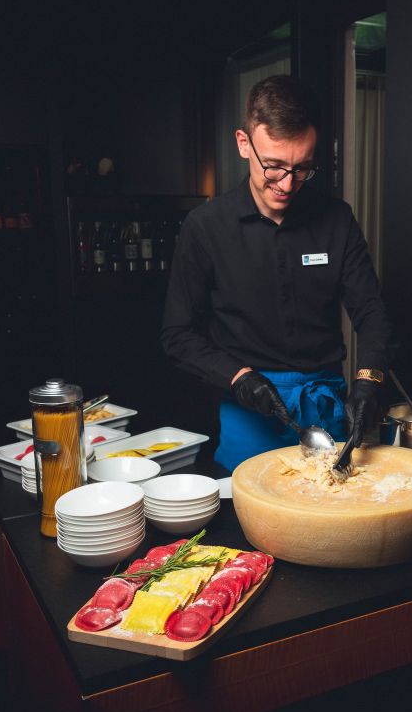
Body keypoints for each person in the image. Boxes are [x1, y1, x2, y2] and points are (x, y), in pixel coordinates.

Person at [160, 75, 395, 471]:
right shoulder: (206, 227)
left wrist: (369, 380)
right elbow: (177, 334)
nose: (287, 184)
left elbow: (372, 315)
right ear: (243, 143)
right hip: (250, 408)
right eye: (274, 166)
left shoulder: (336, 220)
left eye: (302, 168)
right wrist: (237, 377)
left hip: (326, 405)